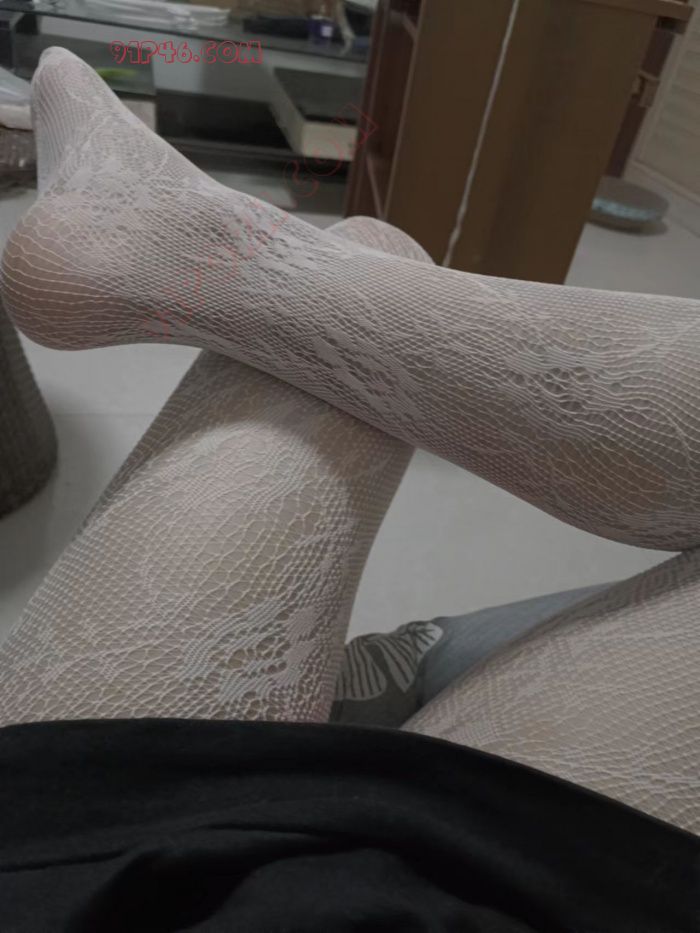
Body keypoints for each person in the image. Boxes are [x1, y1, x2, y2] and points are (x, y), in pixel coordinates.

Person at [0, 48, 697, 931]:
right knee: (368, 253)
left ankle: (188, 242)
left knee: (363, 255)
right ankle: (192, 244)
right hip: (465, 882)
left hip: (86, 870)